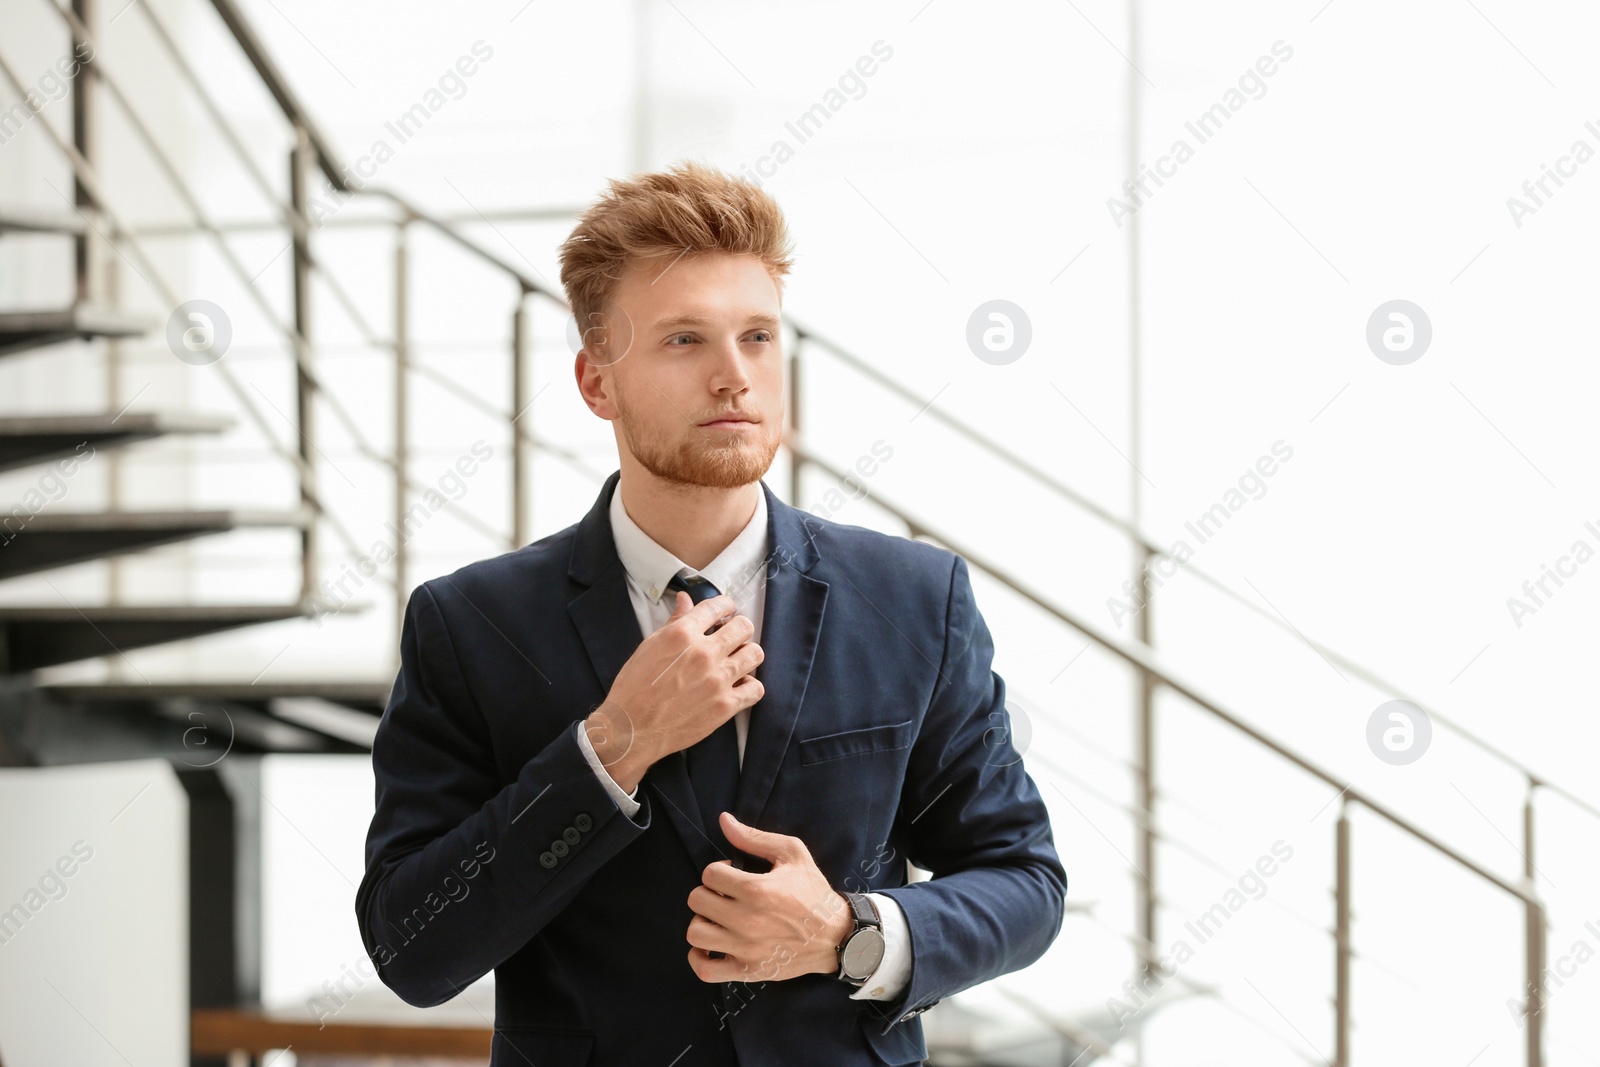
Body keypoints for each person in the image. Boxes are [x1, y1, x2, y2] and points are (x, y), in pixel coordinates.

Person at [355, 161, 1066, 1066]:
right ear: (596, 381)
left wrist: (851, 931)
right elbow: (411, 948)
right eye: (685, 340)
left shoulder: (915, 600)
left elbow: (1024, 880)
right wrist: (612, 746)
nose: (735, 377)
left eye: (758, 336)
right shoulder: (470, 624)